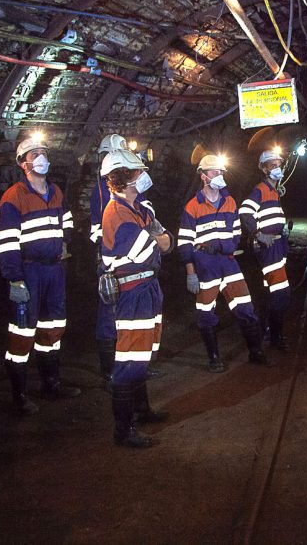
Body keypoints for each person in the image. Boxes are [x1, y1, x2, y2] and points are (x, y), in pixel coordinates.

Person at [0, 132, 80, 415]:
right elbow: (6, 242)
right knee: (22, 332)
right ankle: (18, 396)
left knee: (53, 327)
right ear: (23, 163)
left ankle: (51, 384)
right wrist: (14, 279)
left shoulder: (55, 192)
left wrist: (65, 240)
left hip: (54, 269)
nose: (41, 158)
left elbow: (66, 220)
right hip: (28, 271)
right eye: (34, 155)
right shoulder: (13, 197)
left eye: (44, 153)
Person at [99, 149, 173, 448]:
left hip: (147, 289)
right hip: (132, 292)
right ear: (125, 178)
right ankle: (123, 429)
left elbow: (168, 243)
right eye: (138, 172)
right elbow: (150, 249)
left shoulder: (139, 210)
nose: (144, 176)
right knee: (129, 361)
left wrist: (156, 236)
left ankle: (141, 410)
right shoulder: (117, 213)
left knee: (142, 356)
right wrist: (156, 236)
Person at [178, 154, 268, 372]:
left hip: (228, 263)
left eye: (221, 172)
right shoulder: (193, 207)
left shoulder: (229, 201)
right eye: (214, 172)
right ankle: (214, 358)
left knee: (245, 308)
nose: (219, 176)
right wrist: (191, 271)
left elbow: (236, 232)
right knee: (206, 314)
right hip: (205, 265)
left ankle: (255, 351)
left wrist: (228, 246)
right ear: (203, 176)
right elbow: (184, 242)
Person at [239, 147, 291, 351]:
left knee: (272, 293)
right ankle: (275, 337)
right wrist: (258, 234)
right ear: (264, 169)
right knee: (280, 294)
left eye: (279, 164)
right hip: (268, 248)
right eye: (273, 165)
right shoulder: (260, 190)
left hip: (276, 246)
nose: (277, 167)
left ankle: (268, 332)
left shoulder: (273, 191)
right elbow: (245, 211)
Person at [90, 133, 129, 387]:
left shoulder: (128, 189)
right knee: (109, 315)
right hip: (110, 261)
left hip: (130, 261)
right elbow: (98, 229)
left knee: (128, 315)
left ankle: (131, 366)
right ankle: (108, 371)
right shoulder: (102, 191)